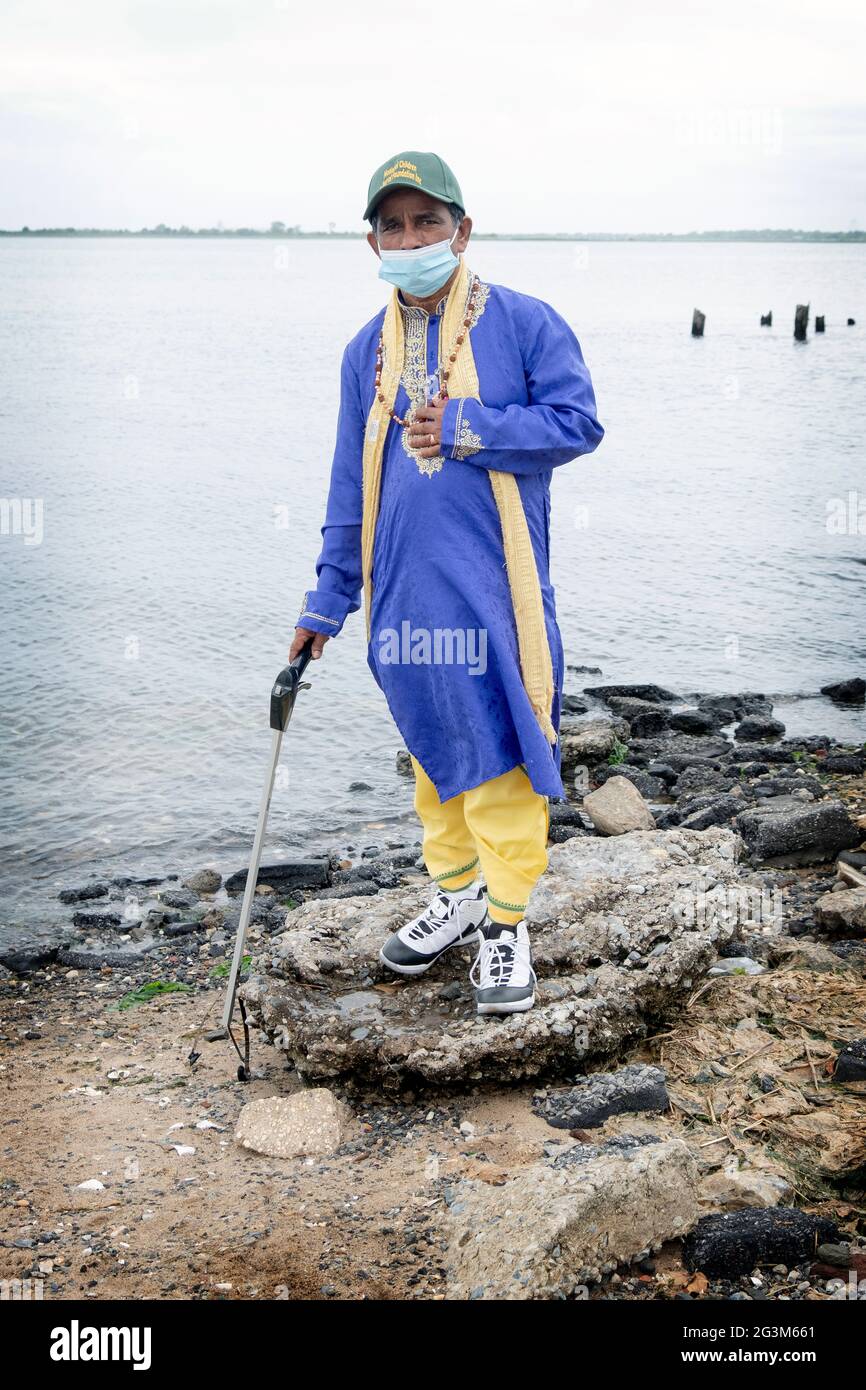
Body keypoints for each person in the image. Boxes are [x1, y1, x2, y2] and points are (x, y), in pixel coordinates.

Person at [290, 151, 603, 1016]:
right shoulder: (366, 352)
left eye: (428, 221)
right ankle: (459, 890)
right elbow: (350, 484)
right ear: (372, 241)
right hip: (404, 589)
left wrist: (468, 424)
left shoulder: (526, 322)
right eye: (393, 224)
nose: (411, 237)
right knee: (432, 740)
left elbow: (578, 424)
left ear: (462, 230)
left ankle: (506, 922)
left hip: (494, 582)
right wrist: (327, 598)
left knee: (500, 732)